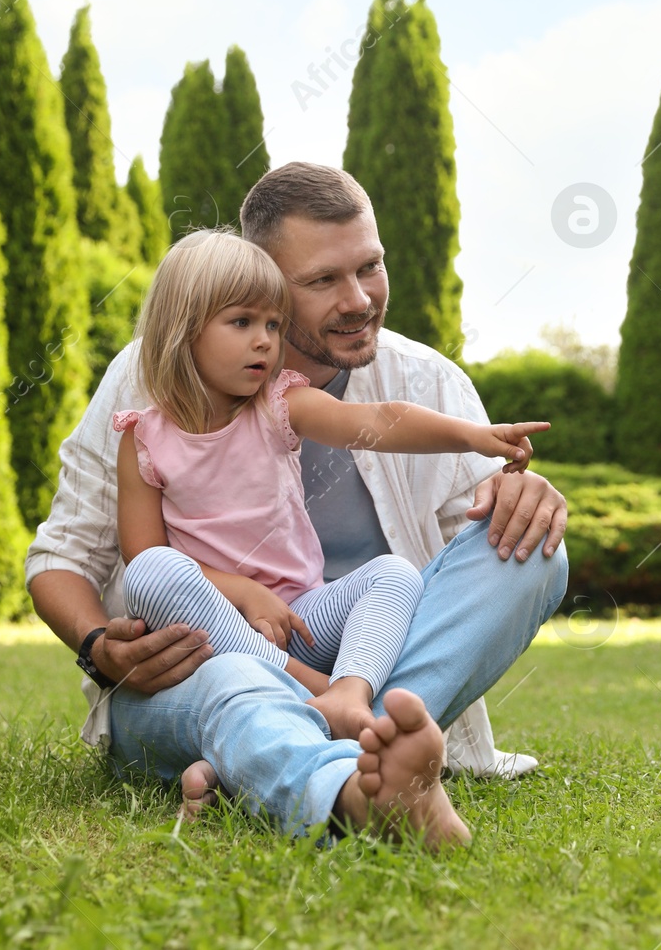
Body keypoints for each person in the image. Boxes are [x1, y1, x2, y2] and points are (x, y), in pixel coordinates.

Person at [26, 162, 570, 850]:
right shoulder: (148, 384)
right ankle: (358, 790)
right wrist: (100, 647)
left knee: (526, 550)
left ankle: (299, 743)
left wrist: (518, 494)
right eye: (322, 281)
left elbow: (465, 550)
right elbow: (62, 557)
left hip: (357, 650)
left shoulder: (427, 380)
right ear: (257, 280)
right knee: (227, 670)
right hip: (198, 670)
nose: (360, 299)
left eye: (370, 267)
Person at [113, 230, 548, 743]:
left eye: (273, 323)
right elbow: (142, 552)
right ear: (182, 332)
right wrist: (246, 594)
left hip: (304, 616)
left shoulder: (278, 405)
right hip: (220, 631)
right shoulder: (142, 436)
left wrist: (472, 436)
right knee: (150, 573)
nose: (264, 340)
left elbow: (379, 420)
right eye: (242, 322)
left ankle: (349, 691)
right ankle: (315, 694)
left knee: (392, 574)